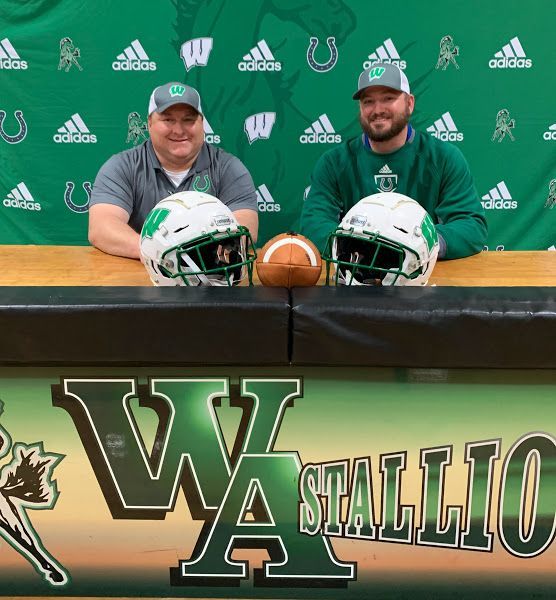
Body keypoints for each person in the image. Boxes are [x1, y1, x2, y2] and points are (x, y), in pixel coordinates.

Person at [300, 63, 487, 260]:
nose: (377, 109)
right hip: (357, 276)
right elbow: (314, 224)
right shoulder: (334, 162)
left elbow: (471, 225)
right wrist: (360, 248)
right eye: (368, 101)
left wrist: (421, 246)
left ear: (410, 103)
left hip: (423, 277)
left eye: (388, 98)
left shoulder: (443, 157)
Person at [88, 82, 258, 259]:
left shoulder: (228, 168)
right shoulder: (123, 166)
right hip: (139, 275)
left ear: (202, 124)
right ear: (149, 123)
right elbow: (101, 228)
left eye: (188, 120)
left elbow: (245, 230)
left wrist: (196, 261)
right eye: (168, 120)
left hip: (209, 278)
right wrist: (164, 256)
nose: (178, 130)